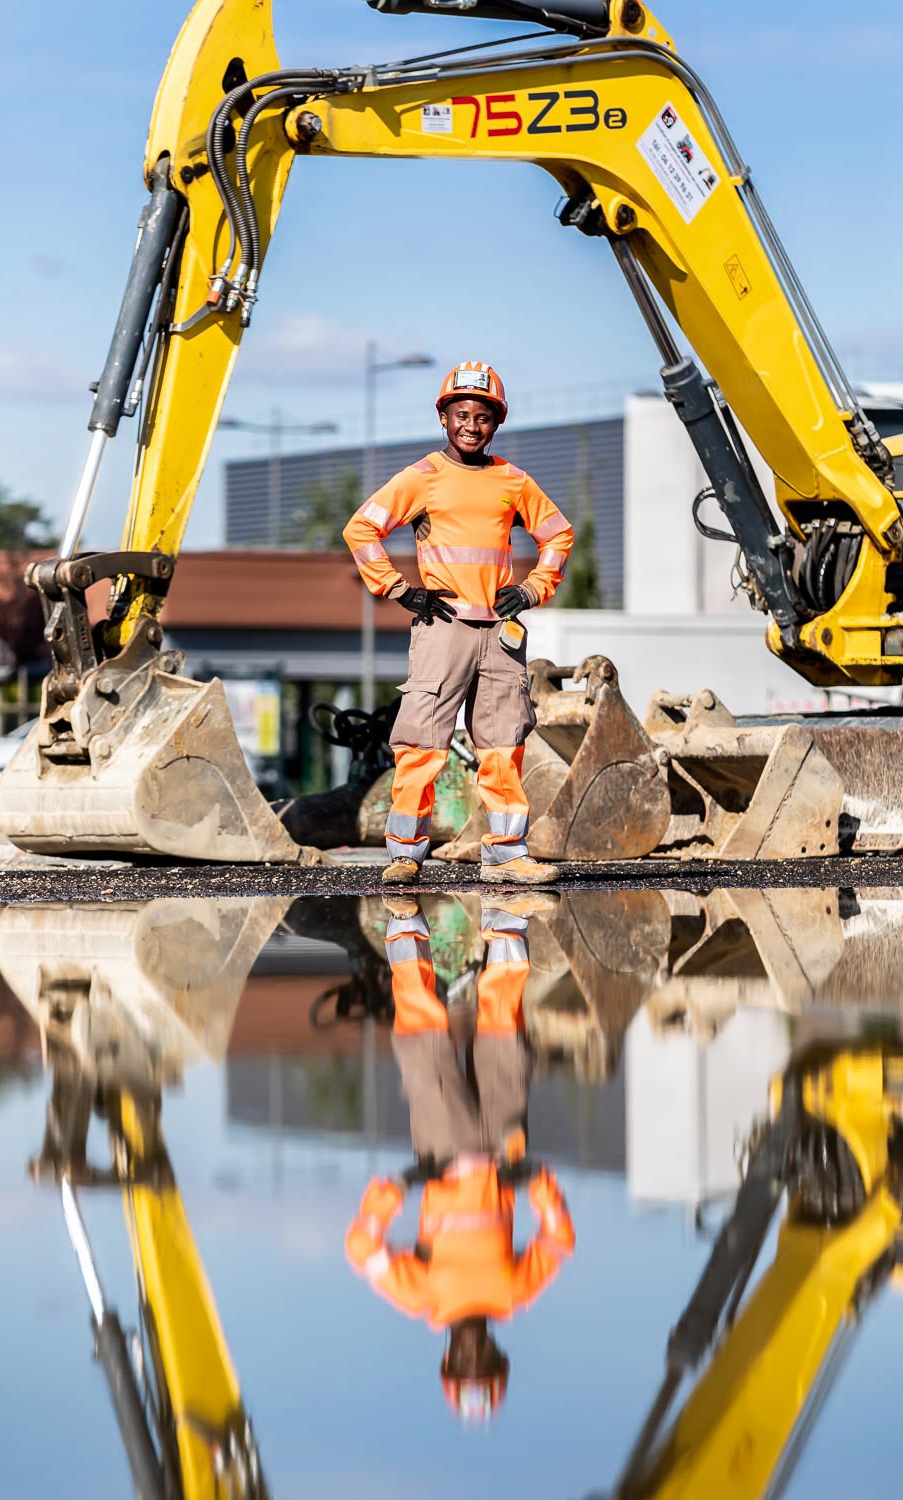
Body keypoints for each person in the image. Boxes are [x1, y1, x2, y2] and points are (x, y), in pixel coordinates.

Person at [345, 892, 575, 1423]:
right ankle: (506, 918)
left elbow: (361, 1248)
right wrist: (535, 1181)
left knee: (423, 1041)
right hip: (501, 1152)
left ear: (446, 1359)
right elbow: (560, 1239)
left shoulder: (421, 1296)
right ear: (500, 1353)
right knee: (505, 1038)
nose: (475, 1354)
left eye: (466, 1364)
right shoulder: (514, 1293)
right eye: (485, 1361)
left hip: (442, 1155)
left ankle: (405, 927)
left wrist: (400, 1186)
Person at [342, 361, 574, 886]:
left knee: (503, 741)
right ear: (443, 418)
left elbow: (559, 535)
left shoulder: (512, 481)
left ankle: (508, 854)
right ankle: (405, 854)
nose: (472, 425)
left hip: (500, 631)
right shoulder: (422, 477)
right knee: (422, 741)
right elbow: (361, 529)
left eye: (483, 417)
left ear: (497, 423)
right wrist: (399, 589)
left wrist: (535, 587)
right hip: (442, 627)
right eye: (461, 414)